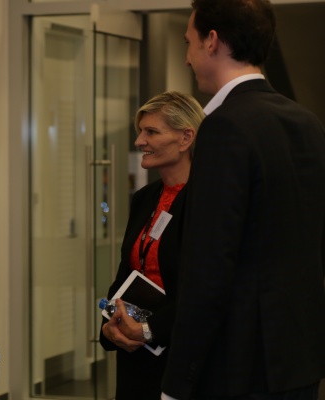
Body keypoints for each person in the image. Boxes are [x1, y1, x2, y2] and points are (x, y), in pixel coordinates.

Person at [161, 1, 325, 399]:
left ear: (212, 41)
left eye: (189, 42)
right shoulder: (307, 122)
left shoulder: (224, 127)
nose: (186, 56)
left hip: (241, 364)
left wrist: (177, 383)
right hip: (299, 359)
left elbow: (209, 268)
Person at [99, 91, 204, 400]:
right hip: (135, 352)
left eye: (151, 132)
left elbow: (204, 287)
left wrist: (150, 329)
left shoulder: (206, 201)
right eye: (140, 131)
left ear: (186, 138)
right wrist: (109, 327)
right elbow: (126, 272)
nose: (139, 141)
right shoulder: (144, 198)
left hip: (182, 353)